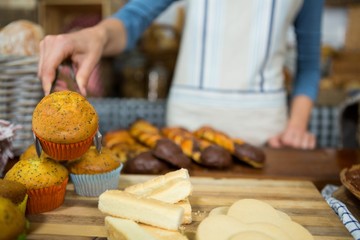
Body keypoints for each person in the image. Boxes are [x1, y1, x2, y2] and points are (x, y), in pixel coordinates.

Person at [38, 0, 324, 149]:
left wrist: (296, 126)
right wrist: (96, 36)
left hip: (267, 137)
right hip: (184, 134)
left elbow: (310, 62)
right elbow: (134, 18)